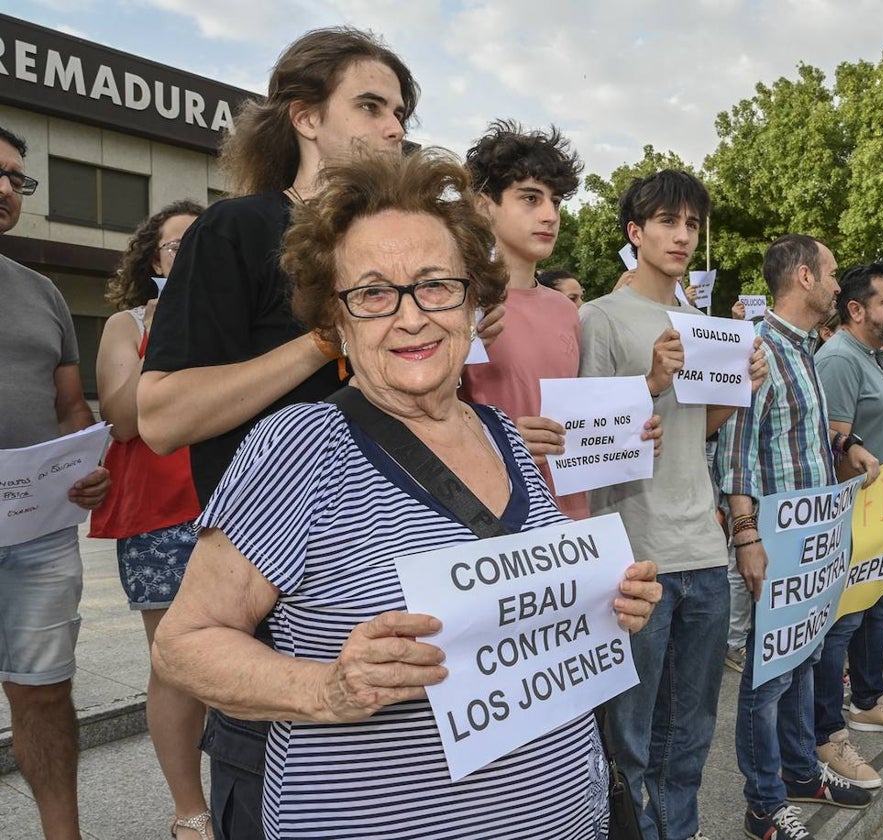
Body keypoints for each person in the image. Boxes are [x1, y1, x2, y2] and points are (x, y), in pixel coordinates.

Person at [152, 150, 662, 840]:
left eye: (434, 285)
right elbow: (183, 644)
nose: (411, 317)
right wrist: (325, 689)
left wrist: (604, 602)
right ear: (335, 321)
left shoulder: (504, 433)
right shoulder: (301, 444)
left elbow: (514, 617)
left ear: (473, 299)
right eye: (372, 293)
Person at [138, 28, 430, 840]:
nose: (393, 128)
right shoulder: (235, 230)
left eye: (400, 112)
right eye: (369, 106)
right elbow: (159, 416)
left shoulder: (405, 246)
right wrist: (323, 340)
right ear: (303, 116)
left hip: (395, 605)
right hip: (274, 619)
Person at [580, 169, 767, 840]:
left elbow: (701, 429)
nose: (682, 235)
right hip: (635, 557)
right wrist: (650, 382)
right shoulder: (597, 318)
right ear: (636, 232)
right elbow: (586, 440)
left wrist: (740, 385)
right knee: (628, 740)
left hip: (704, 551)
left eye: (691, 224)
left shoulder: (703, 324)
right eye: (668, 221)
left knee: (690, 736)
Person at [715, 235, 872, 840]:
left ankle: (803, 772)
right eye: (832, 273)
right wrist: (747, 535)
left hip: (812, 534)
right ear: (804, 277)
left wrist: (845, 447)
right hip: (777, 536)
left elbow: (796, 437)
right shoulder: (753, 348)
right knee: (768, 673)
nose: (839, 284)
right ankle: (763, 803)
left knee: (804, 659)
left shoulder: (806, 348)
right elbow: (735, 452)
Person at [0, 124, 112, 840]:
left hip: (36, 533)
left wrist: (86, 468)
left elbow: (73, 408)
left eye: (17, 178)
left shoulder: (41, 292)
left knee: (43, 693)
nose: (7, 189)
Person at [88, 200, 209, 838]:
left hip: (236, 505)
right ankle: (190, 810)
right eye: (174, 246)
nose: (186, 257)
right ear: (151, 259)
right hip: (160, 516)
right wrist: (161, 334)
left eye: (200, 244)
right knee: (175, 662)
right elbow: (124, 419)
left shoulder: (232, 317)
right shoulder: (125, 323)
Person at [812, 262, 883, 781]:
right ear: (855, 309)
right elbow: (836, 444)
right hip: (857, 517)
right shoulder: (838, 358)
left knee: (874, 609)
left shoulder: (873, 357)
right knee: (844, 621)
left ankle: (868, 700)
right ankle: (828, 731)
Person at [462, 122, 595, 520]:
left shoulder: (565, 310)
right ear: (486, 206)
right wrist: (502, 440)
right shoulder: (457, 302)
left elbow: (579, 414)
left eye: (556, 202)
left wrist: (631, 432)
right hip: (491, 519)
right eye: (531, 198)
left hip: (570, 519)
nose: (550, 215)